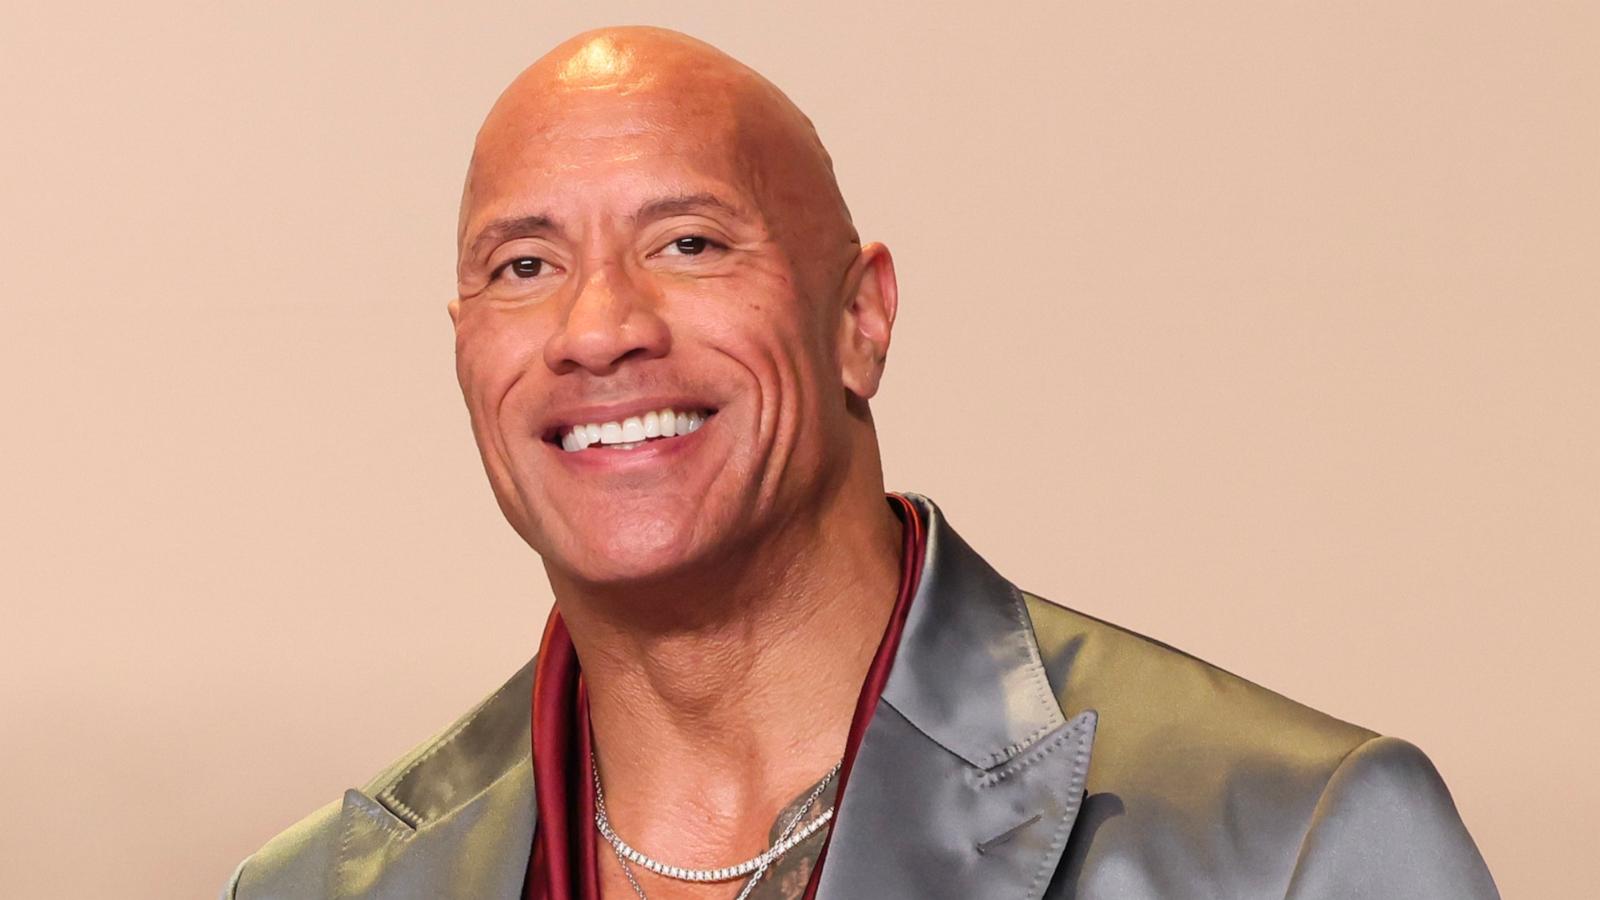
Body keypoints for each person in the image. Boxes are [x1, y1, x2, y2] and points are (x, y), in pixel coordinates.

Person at [224, 26, 1499, 900]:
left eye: (689, 244)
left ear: (860, 317)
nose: (599, 328)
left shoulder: (1292, 845)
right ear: (465, 353)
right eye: (523, 267)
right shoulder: (319, 888)